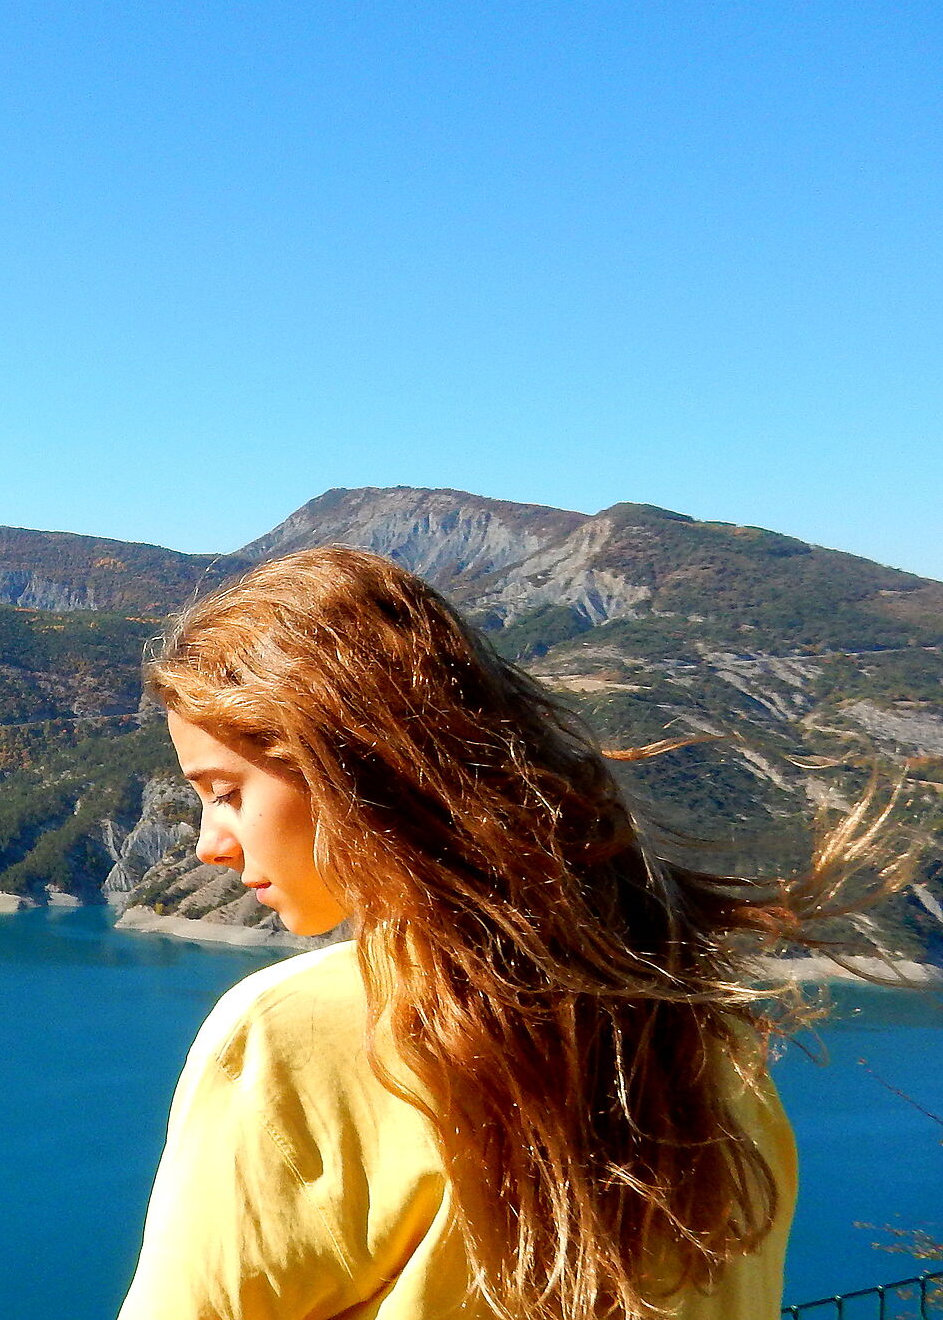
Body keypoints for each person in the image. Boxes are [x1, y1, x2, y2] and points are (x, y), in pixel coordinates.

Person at [115, 546, 906, 1320]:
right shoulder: (706, 1028)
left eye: (226, 792)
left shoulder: (291, 1038)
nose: (208, 845)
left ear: (351, 767)